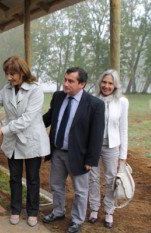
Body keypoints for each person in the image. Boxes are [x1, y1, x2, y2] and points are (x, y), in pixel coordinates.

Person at [0, 55, 50, 227]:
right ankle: (15, 209)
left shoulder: (36, 90)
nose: (9, 77)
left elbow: (27, 119)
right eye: (7, 73)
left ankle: (32, 212)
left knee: (32, 178)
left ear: (22, 72)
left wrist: (3, 130)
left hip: (31, 139)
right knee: (14, 177)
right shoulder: (6, 89)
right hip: (13, 140)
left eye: (12, 74)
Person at [42, 67, 105, 233]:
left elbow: (97, 135)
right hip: (57, 152)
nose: (65, 84)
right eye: (65, 79)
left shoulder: (95, 104)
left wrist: (91, 160)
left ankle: (77, 220)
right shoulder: (58, 97)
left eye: (71, 81)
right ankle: (58, 211)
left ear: (82, 84)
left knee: (81, 191)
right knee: (56, 185)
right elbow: (48, 118)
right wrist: (31, 126)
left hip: (79, 156)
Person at [88, 69, 129, 228]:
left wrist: (123, 155)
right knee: (93, 177)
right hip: (93, 145)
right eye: (104, 82)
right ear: (100, 83)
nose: (106, 86)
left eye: (110, 83)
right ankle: (94, 208)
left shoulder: (122, 102)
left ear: (115, 85)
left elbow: (123, 129)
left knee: (111, 179)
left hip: (112, 146)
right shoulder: (93, 99)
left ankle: (109, 211)